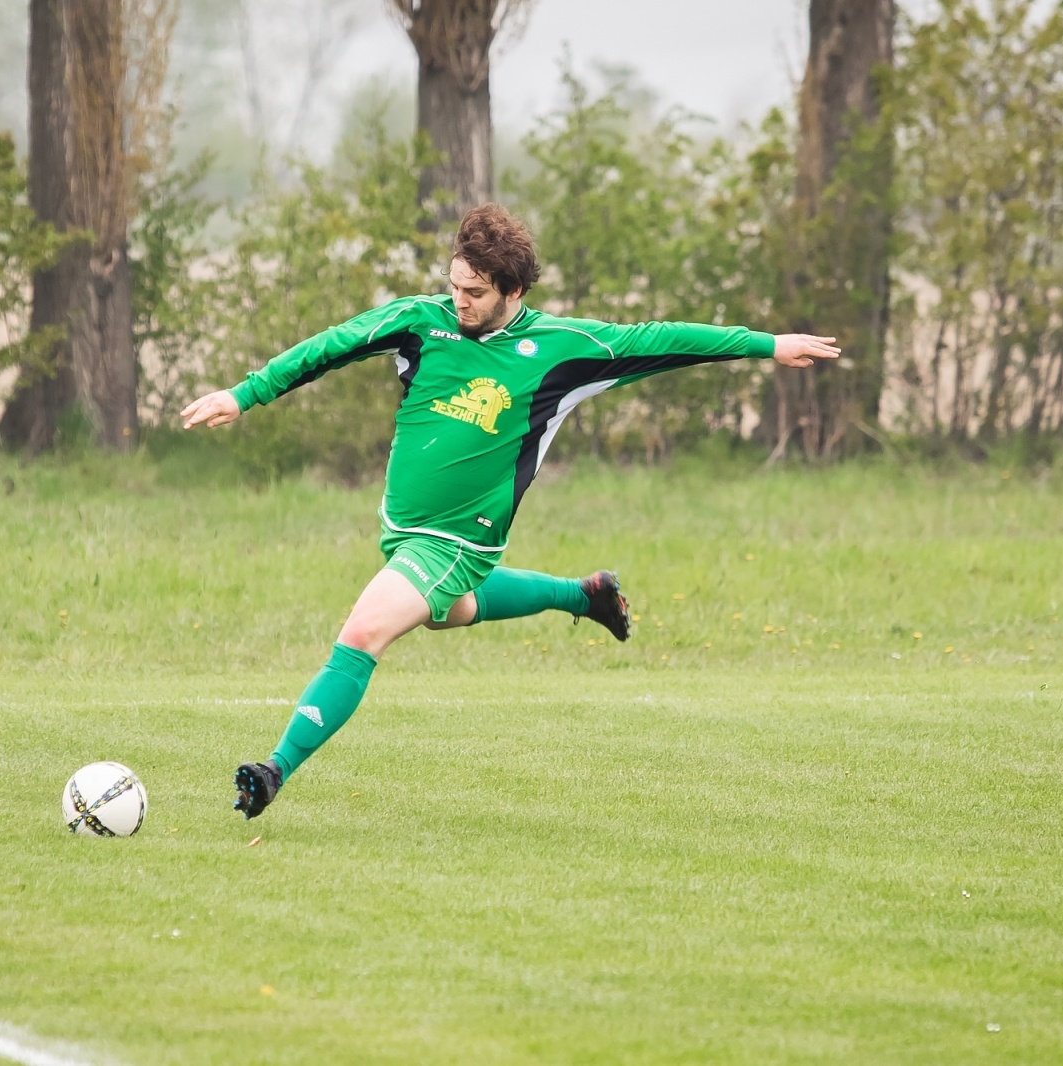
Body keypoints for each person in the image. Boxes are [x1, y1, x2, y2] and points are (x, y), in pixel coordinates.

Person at [181, 204, 839, 818]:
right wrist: (246, 394)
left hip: (459, 541)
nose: (459, 301)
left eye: (475, 292)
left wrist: (766, 344)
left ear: (513, 292)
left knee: (363, 634)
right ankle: (585, 595)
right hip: (404, 531)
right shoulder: (420, 322)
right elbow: (326, 347)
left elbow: (664, 337)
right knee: (452, 612)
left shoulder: (563, 349)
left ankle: (273, 770)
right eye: (455, 286)